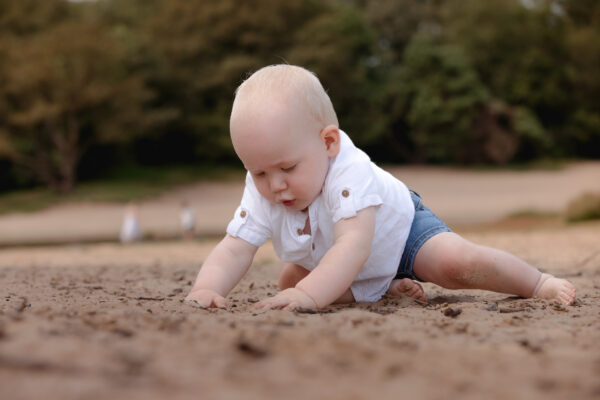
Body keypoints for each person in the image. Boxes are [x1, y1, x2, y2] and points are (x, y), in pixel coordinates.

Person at [185, 65, 575, 310]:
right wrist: (206, 288)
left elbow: (353, 245)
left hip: (401, 233)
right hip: (345, 261)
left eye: (286, 167)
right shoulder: (266, 182)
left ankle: (536, 281)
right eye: (258, 173)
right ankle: (385, 287)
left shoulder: (348, 171)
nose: (275, 185)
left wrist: (309, 297)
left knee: (457, 265)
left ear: (328, 143)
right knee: (289, 280)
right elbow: (235, 247)